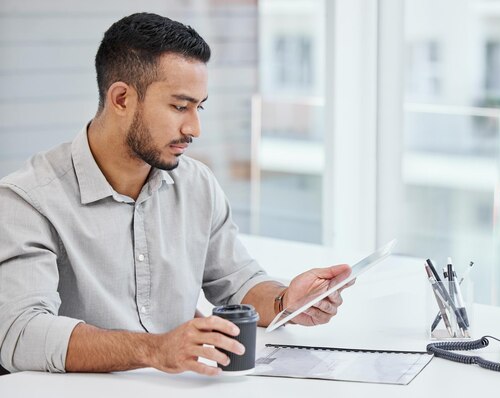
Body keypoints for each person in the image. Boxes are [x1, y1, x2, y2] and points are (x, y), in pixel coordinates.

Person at [0, 12, 352, 376]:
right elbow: (20, 334)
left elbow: (238, 282)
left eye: (199, 107)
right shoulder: (27, 200)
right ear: (121, 98)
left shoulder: (196, 184)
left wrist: (285, 302)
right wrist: (155, 350)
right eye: (179, 106)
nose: (194, 127)